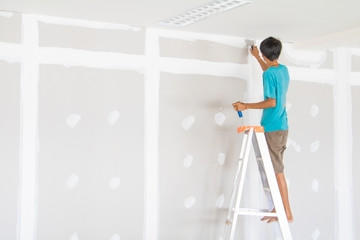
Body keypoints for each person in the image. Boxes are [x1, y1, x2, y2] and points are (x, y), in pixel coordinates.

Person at [232, 36, 293, 223]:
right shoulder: (282, 70)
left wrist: (245, 106)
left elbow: (271, 102)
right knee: (276, 169)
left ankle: (287, 213)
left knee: (277, 171)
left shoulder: (268, 75)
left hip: (272, 127)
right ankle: (280, 207)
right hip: (282, 126)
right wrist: (257, 57)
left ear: (266, 54)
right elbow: (269, 71)